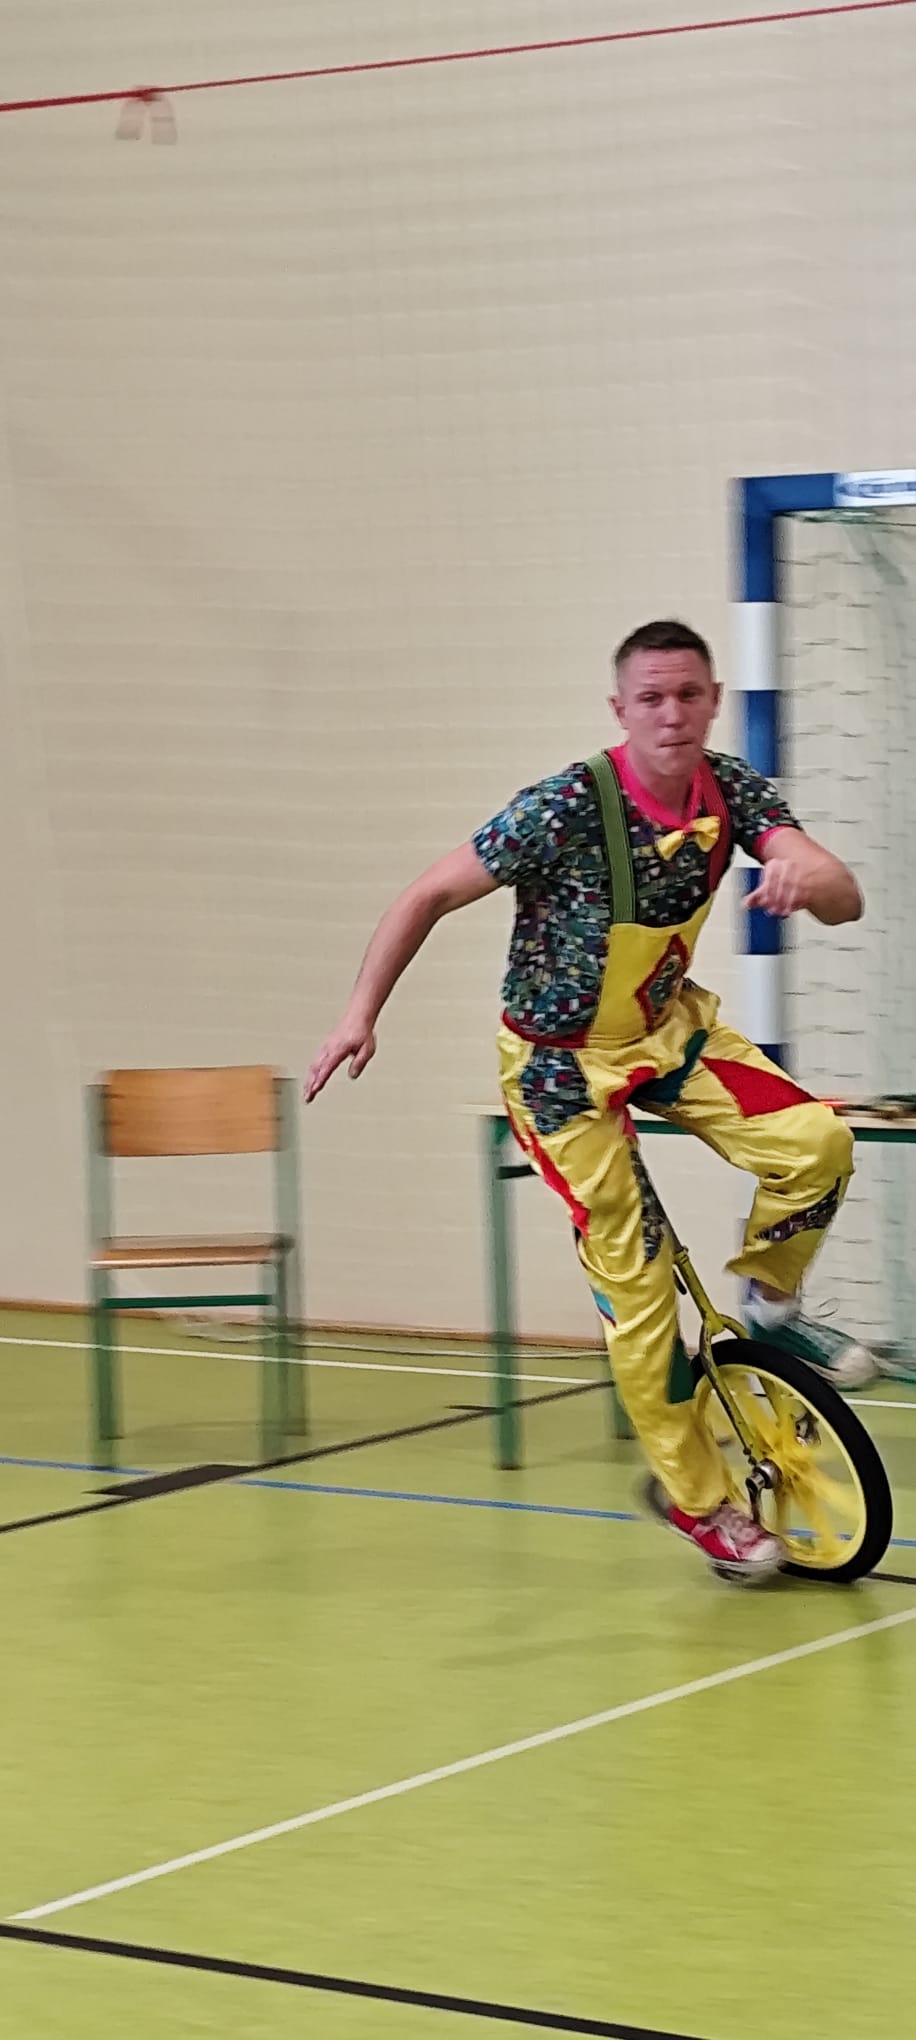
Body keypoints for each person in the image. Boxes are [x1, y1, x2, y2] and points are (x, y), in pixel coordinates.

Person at [305, 619, 876, 1580]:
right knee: (638, 1277)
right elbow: (426, 895)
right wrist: (360, 1014)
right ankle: (701, 1502)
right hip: (559, 1070)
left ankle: (771, 1307)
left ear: (713, 701)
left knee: (816, 1143)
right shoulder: (564, 806)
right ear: (621, 709)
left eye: (688, 695)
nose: (671, 714)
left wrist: (810, 875)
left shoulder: (731, 790)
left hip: (668, 1031)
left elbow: (841, 895)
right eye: (651, 698)